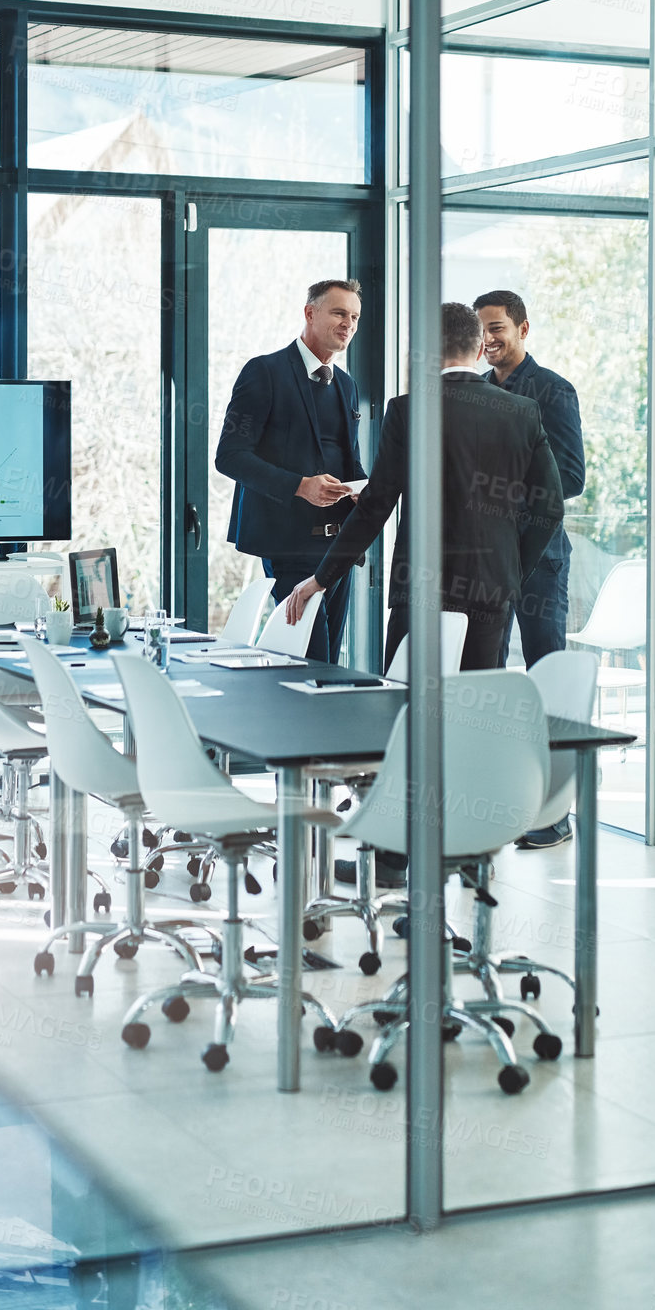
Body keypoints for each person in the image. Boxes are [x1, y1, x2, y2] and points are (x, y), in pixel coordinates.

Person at [284, 302, 564, 885]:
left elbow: (375, 508)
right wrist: (512, 569)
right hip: (492, 593)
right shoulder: (520, 411)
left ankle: (393, 858)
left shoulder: (408, 411)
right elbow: (550, 507)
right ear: (476, 346)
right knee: (473, 726)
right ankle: (467, 850)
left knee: (409, 722)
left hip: (423, 592)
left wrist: (320, 578)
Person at [475, 288, 586, 849]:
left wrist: (502, 497)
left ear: (523, 328)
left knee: (546, 680)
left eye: (498, 328)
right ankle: (497, 798)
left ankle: (554, 812)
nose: (488, 340)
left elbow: (570, 479)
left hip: (537, 557)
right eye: (481, 331)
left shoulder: (552, 391)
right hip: (484, 558)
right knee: (490, 682)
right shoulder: (474, 394)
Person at [215, 278, 364, 665]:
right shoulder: (263, 373)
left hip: (340, 547)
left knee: (329, 664)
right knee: (311, 660)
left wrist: (364, 487)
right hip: (288, 545)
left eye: (354, 317)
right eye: (338, 313)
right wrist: (300, 486)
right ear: (310, 313)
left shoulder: (346, 385)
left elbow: (352, 462)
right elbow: (229, 456)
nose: (348, 323)